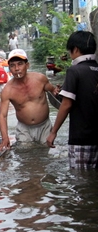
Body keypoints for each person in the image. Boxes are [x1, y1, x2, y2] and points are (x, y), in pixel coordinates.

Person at [46, 31, 98, 169]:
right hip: (95, 136)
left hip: (81, 138)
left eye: (70, 51)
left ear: (75, 49)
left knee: (80, 181)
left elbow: (66, 104)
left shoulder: (74, 71)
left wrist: (53, 132)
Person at [0, 49, 59, 151]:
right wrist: (5, 138)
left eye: (20, 64)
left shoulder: (40, 79)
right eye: (12, 65)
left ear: (27, 65)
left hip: (44, 126)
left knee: (46, 156)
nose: (17, 68)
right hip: (24, 129)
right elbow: (2, 115)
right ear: (9, 69)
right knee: (25, 157)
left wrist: (58, 91)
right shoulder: (7, 90)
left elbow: (53, 92)